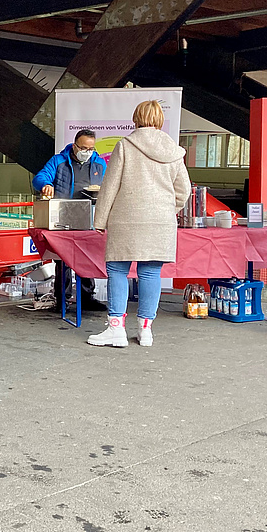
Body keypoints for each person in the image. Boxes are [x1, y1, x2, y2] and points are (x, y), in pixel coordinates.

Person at [87, 100, 190, 348]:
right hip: (160, 223)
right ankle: (145, 330)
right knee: (151, 273)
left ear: (136, 118)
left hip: (126, 219)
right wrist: (167, 210)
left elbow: (110, 187)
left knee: (118, 271)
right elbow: (183, 191)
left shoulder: (125, 146)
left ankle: (116, 330)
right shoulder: (174, 151)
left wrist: (100, 219)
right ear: (160, 121)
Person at [32, 129, 108, 311]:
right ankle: (62, 299)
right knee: (63, 259)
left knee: (87, 257)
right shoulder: (58, 161)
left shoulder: (99, 163)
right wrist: (46, 185)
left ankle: (87, 297)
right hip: (63, 215)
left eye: (91, 148)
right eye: (83, 148)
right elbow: (39, 178)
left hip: (89, 216)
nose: (87, 152)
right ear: (75, 146)